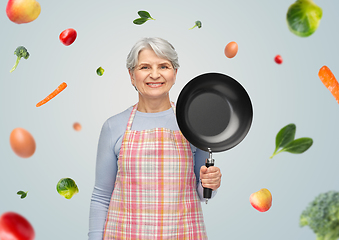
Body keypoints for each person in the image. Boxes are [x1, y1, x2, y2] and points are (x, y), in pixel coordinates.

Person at [88, 37, 222, 240]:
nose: (155, 74)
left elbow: (202, 194)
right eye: (144, 67)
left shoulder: (194, 123)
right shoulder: (113, 126)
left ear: (175, 73)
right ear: (132, 75)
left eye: (163, 66)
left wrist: (209, 183)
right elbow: (101, 196)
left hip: (183, 233)